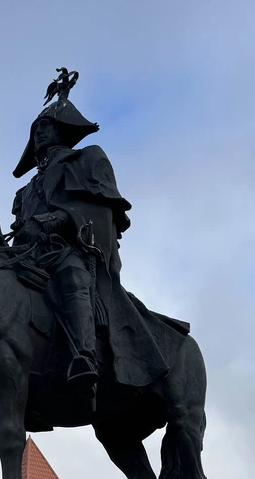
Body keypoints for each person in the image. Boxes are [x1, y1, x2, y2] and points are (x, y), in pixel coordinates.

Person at [10, 69, 173, 401]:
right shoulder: (25, 190)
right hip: (31, 257)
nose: (40, 133)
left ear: (63, 129)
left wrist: (61, 219)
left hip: (72, 250)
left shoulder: (86, 158)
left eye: (46, 126)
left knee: (71, 276)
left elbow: (103, 210)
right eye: (36, 129)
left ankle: (84, 356)